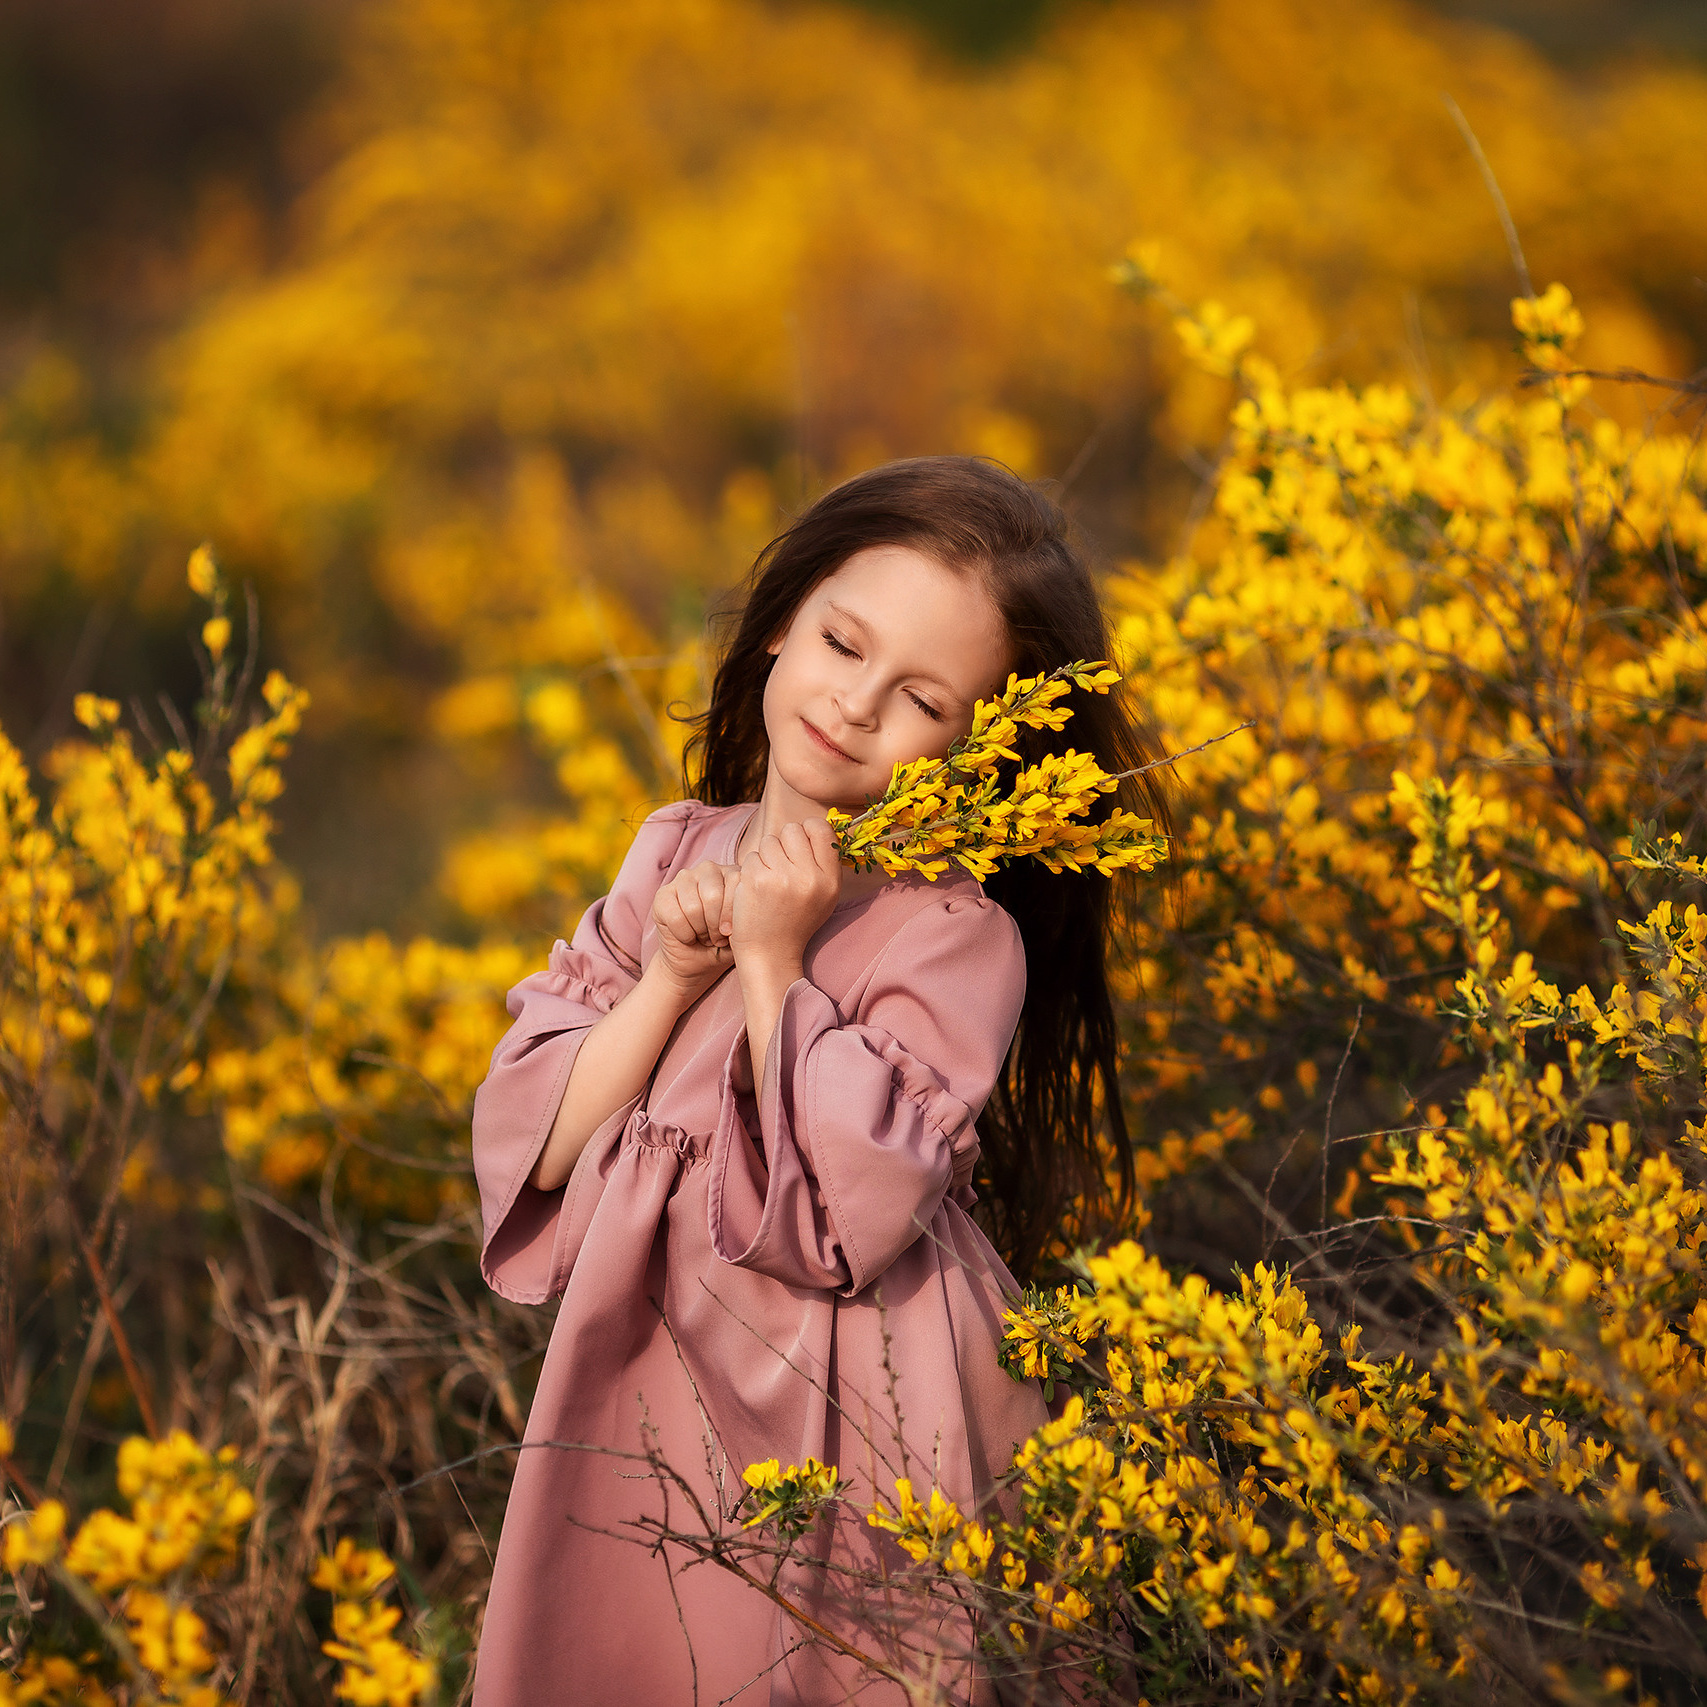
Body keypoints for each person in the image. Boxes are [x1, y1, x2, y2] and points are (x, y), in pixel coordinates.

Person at [469, 456, 1174, 1705]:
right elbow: (542, 1144)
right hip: (641, 1370)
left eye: (922, 700)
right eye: (844, 644)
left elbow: (845, 1218)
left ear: (978, 752)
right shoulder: (671, 851)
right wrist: (669, 979)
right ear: (782, 625)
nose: (854, 704)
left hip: (858, 1404)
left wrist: (775, 964)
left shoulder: (955, 936)